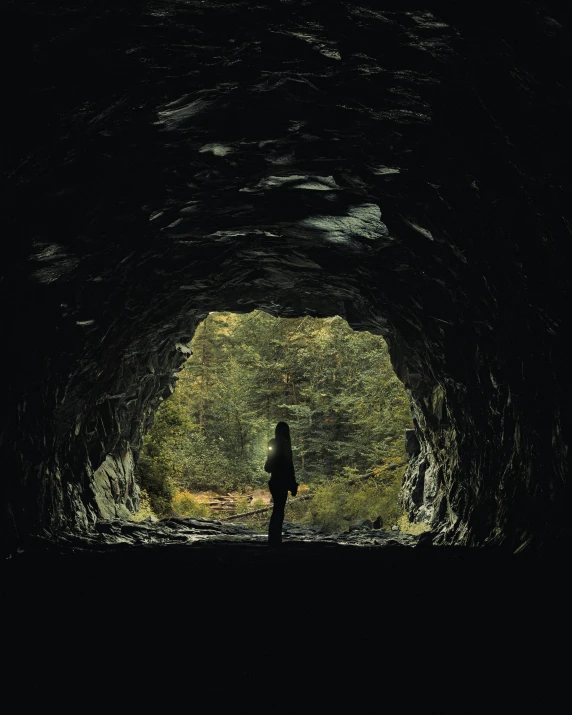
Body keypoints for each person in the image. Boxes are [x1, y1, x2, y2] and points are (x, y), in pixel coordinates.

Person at [264, 421, 298, 547]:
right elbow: (290, 467)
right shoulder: (286, 446)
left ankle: (273, 540)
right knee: (279, 510)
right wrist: (293, 484)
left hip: (274, 481)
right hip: (282, 482)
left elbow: (268, 466)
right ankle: (275, 540)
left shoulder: (272, 444)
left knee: (277, 510)